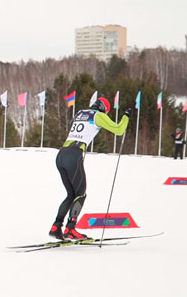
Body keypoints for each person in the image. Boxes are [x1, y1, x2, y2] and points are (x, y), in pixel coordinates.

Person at [49, 96, 132, 240]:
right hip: (73, 156)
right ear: (104, 109)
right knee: (81, 194)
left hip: (61, 155)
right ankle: (70, 229)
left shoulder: (80, 113)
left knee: (71, 195)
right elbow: (119, 130)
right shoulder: (98, 115)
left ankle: (56, 226)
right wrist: (126, 117)